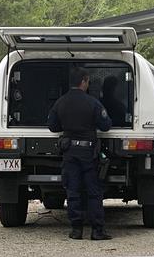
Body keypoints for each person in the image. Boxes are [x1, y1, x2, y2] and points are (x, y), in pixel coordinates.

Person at [47, 67, 113, 240]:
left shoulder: (60, 102)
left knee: (73, 191)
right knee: (93, 192)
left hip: (69, 152)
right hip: (88, 153)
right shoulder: (92, 103)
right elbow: (106, 125)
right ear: (83, 81)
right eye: (88, 81)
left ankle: (76, 230)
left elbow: (52, 126)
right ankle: (97, 231)